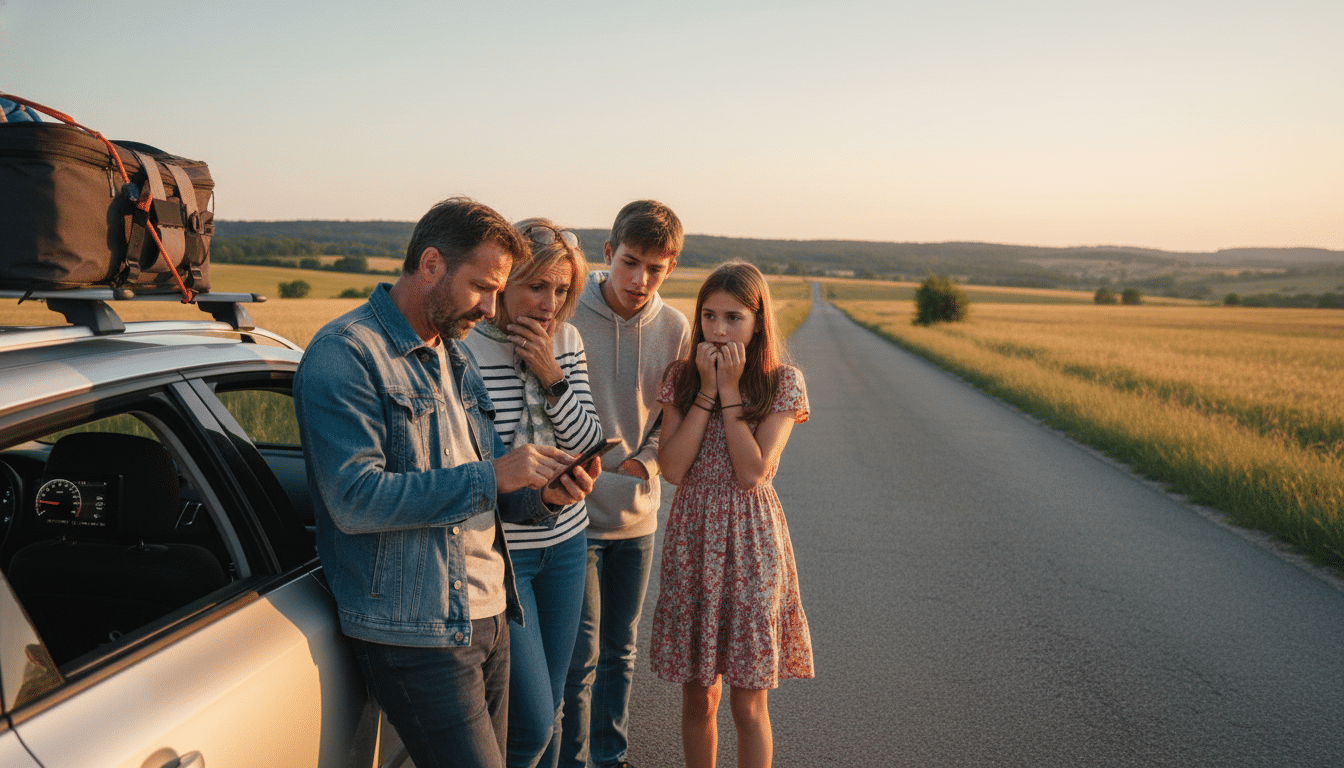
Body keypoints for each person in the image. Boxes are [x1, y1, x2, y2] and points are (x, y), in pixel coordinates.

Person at [293, 197, 600, 768]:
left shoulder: (452, 353)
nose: (490, 307)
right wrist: (495, 475)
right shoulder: (347, 355)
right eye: (482, 287)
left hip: (489, 610)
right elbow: (355, 499)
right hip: (418, 630)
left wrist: (542, 499)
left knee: (524, 743)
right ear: (430, 264)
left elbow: (481, 498)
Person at [651, 261, 813, 768]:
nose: (718, 331)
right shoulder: (680, 377)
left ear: (759, 321)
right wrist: (703, 389)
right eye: (709, 316)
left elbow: (752, 472)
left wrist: (729, 391)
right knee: (699, 693)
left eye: (734, 318)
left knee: (748, 697)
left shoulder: (783, 382)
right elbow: (673, 468)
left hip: (751, 541)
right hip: (693, 535)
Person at [463, 217, 604, 768]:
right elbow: (478, 463)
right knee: (532, 719)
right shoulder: (467, 347)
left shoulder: (565, 341)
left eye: (562, 290)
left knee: (557, 705)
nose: (550, 303)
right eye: (537, 286)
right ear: (505, 282)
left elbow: (589, 440)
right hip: (505, 554)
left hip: (568, 542)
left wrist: (550, 373)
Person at [561, 200, 692, 768]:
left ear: (670, 269)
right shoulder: (568, 312)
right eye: (631, 262)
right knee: (580, 654)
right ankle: (571, 758)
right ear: (608, 253)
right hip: (574, 513)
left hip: (637, 516)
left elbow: (674, 415)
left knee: (622, 650)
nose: (640, 280)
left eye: (656, 269)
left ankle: (610, 756)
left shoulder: (675, 327)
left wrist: (649, 463)